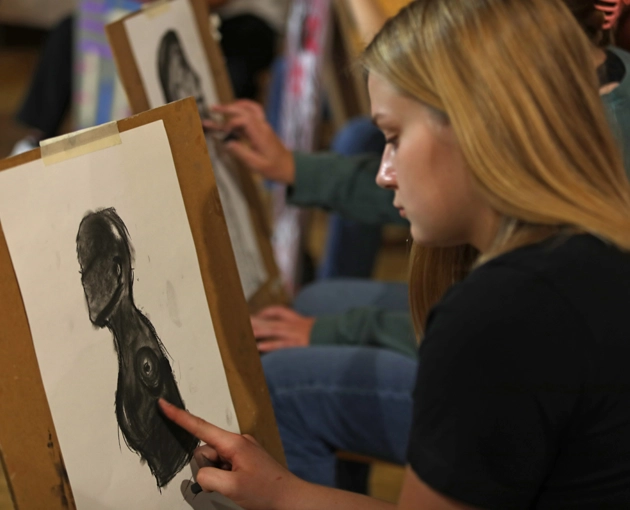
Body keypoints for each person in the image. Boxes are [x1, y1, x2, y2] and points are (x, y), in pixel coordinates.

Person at [159, 0, 630, 507]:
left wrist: (281, 499)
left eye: (394, 137)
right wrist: (284, 492)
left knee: (287, 383)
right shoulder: (589, 248)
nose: (385, 172)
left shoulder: (498, 316)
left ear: (477, 127)